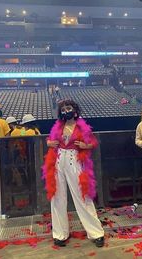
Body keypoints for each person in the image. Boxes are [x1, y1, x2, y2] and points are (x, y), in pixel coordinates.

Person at [42, 99, 104, 248]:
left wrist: (85, 145)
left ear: (74, 110)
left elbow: (93, 142)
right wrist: (49, 143)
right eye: (63, 110)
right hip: (57, 161)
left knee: (82, 196)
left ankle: (96, 233)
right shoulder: (58, 126)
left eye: (68, 108)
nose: (65, 111)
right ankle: (60, 234)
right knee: (57, 197)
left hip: (74, 160)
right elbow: (49, 139)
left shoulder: (82, 126)